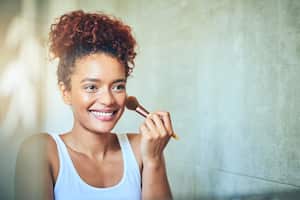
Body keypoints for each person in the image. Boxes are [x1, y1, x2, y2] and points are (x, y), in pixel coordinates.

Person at [15, 10, 174, 200]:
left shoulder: (142, 148)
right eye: (91, 87)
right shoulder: (41, 152)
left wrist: (154, 160)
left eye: (118, 86)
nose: (108, 100)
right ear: (66, 92)